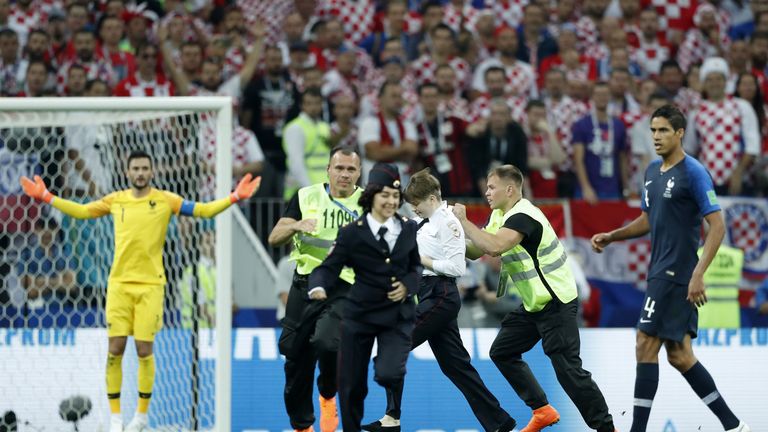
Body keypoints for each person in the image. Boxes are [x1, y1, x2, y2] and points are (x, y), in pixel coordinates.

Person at [18, 150, 261, 432]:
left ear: (152, 171)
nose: (141, 172)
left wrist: (234, 197)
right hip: (119, 285)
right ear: (128, 172)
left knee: (145, 349)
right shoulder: (115, 200)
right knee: (115, 349)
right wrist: (47, 197)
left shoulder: (165, 200)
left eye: (145, 168)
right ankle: (116, 418)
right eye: (136, 168)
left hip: (151, 286)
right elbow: (83, 212)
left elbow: (202, 210)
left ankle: (141, 416)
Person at [591, 104, 751, 432]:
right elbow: (647, 220)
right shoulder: (652, 171)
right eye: (652, 130)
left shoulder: (694, 172)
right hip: (659, 270)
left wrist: (697, 274)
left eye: (663, 130)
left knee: (644, 343)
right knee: (679, 355)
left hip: (676, 273)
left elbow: (717, 226)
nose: (656, 137)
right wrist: (614, 236)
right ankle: (734, 426)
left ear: (680, 133)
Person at [452, 165, 617, 432]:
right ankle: (542, 410)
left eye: (491, 187)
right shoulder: (499, 215)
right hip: (535, 305)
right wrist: (453, 233)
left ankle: (606, 428)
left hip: (556, 302)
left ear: (510, 189)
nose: (486, 192)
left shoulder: (523, 215)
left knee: (569, 372)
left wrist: (464, 221)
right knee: (502, 351)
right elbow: (475, 251)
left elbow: (495, 246)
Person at [362, 168, 517, 432]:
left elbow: (457, 268)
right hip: (429, 294)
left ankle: (392, 418)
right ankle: (500, 422)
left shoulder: (447, 223)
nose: (414, 210)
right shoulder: (426, 223)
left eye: (416, 205)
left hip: (441, 294)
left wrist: (418, 259)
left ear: (432, 199)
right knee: (456, 367)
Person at [308, 163, 421, 432]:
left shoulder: (408, 229)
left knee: (388, 373)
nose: (391, 201)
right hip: (360, 316)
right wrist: (318, 286)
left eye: (395, 196)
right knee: (351, 387)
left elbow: (415, 268)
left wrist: (407, 285)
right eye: (385, 195)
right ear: (371, 196)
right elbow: (328, 267)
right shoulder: (351, 233)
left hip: (396, 316)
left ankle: (385, 374)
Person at [267, 146, 364, 432]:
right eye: (339, 168)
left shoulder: (369, 203)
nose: (345, 174)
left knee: (327, 343)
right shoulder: (305, 196)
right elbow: (274, 237)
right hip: (305, 285)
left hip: (343, 287)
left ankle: (327, 394)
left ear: (359, 173)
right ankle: (302, 425)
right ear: (328, 170)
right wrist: (297, 225)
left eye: (351, 169)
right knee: (295, 361)